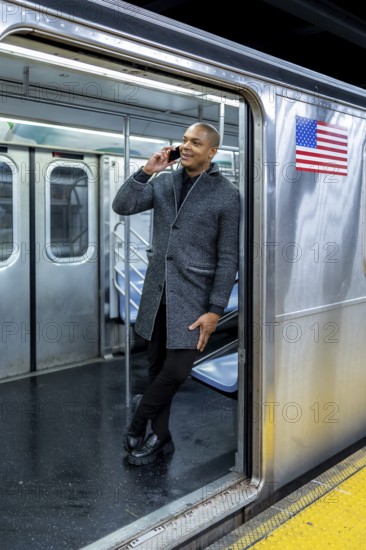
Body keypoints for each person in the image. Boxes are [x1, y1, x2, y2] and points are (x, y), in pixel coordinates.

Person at [112, 122, 240, 466]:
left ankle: (139, 423)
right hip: (158, 295)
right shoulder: (164, 182)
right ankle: (162, 439)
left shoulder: (226, 195)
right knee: (156, 368)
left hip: (195, 299)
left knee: (176, 370)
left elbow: (228, 258)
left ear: (211, 152)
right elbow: (122, 206)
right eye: (184, 140)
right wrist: (146, 171)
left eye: (195, 143)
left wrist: (215, 310)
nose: (185, 146)